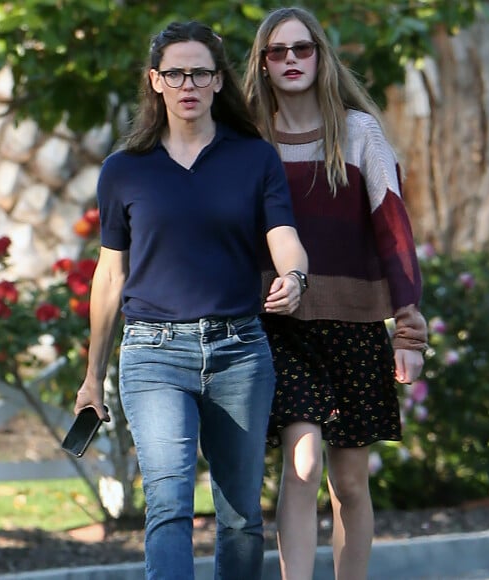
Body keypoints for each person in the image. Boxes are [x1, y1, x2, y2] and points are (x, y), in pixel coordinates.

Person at [72, 20, 308, 580]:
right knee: (169, 505)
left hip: (240, 353)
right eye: (175, 72)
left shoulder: (253, 159)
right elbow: (109, 276)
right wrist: (92, 376)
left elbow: (284, 236)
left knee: (240, 517)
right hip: (153, 354)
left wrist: (295, 276)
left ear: (218, 81)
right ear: (155, 81)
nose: (188, 84)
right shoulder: (123, 170)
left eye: (201, 72)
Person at [244, 7, 428, 580]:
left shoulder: (358, 131)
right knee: (300, 465)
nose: (292, 60)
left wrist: (408, 327)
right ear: (263, 64)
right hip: (281, 325)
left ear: (321, 57)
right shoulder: (249, 140)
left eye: (303, 49)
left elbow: (393, 227)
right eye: (278, 52)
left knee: (348, 480)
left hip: (354, 324)